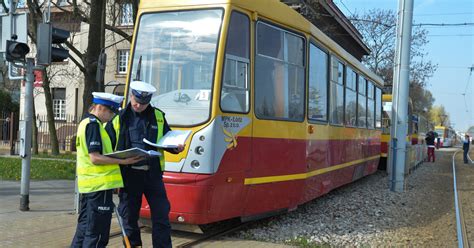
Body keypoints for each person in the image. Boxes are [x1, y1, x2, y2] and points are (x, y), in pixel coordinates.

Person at [107, 81, 185, 248]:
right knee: (128, 217)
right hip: (129, 175)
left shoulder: (158, 116)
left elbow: (166, 139)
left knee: (161, 216)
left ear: (149, 101)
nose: (138, 105)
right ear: (131, 96)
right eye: (136, 101)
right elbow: (108, 146)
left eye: (143, 103)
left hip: (153, 175)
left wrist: (176, 147)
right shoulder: (119, 118)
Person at [71, 92, 144, 248]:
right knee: (97, 234)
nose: (111, 117)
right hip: (99, 186)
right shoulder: (93, 125)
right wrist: (123, 161)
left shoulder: (85, 122)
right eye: (110, 112)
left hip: (89, 186)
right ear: (100, 108)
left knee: (84, 229)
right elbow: (95, 158)